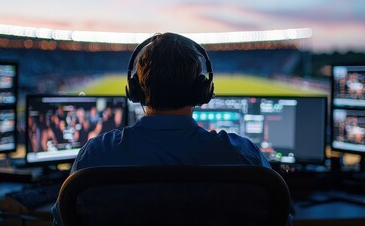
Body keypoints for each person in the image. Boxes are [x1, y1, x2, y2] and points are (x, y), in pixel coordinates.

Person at [51, 32, 283, 225]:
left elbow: (61, 220)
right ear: (201, 91)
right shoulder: (244, 156)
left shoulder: (95, 155)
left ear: (136, 90)